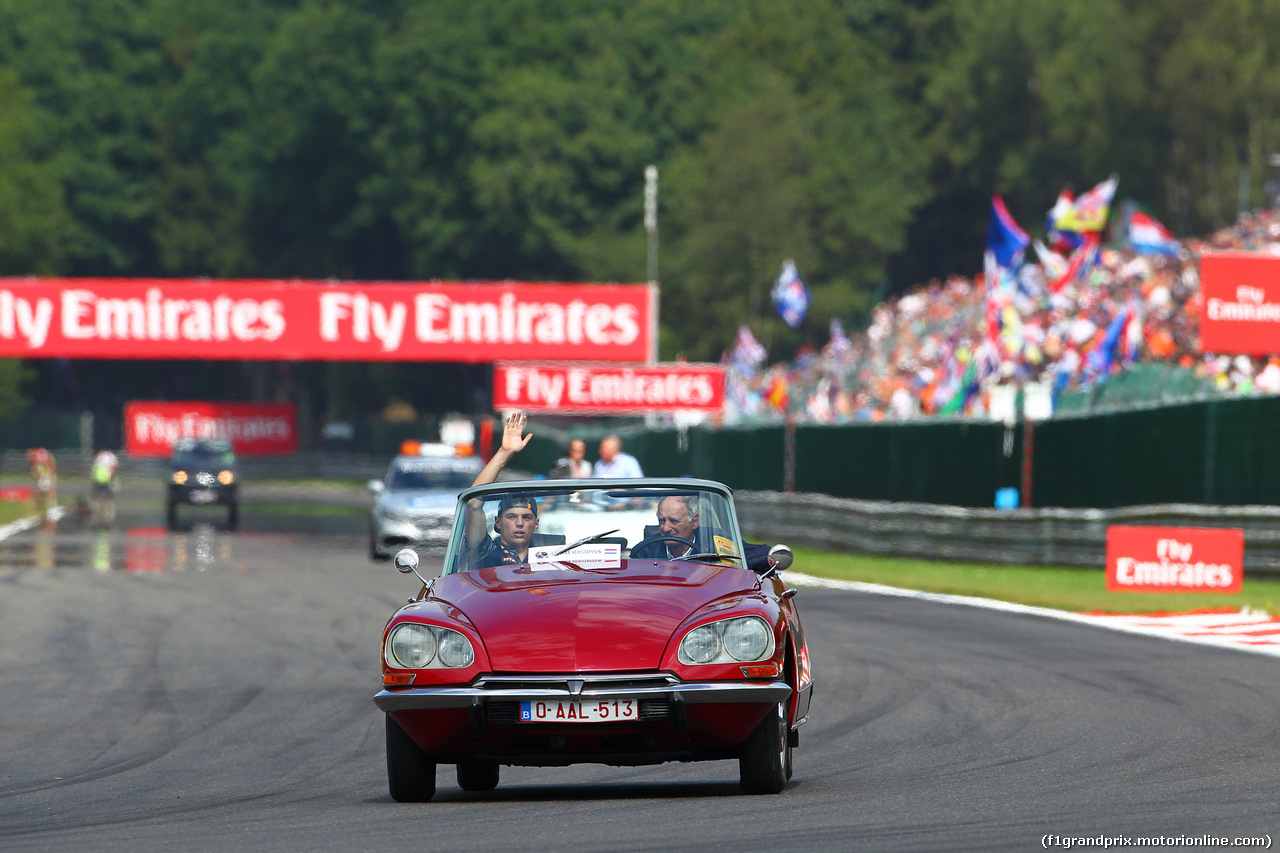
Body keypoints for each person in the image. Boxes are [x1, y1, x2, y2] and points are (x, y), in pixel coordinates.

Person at [464, 412, 539, 567]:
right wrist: (504, 453)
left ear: (536, 523)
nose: (520, 523)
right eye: (511, 517)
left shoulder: (550, 555)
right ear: (498, 522)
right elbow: (473, 504)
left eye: (526, 517)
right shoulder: (486, 550)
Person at [631, 493, 772, 572]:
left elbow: (761, 552)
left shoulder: (715, 541)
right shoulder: (645, 550)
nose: (666, 528)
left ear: (694, 521)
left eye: (674, 521)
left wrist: (729, 564)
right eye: (662, 521)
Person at [89, 448, 120, 526]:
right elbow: (116, 465)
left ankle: (98, 518)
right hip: (106, 479)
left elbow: (93, 470)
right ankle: (107, 518)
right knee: (107, 499)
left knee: (97, 499)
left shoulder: (99, 458)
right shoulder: (110, 456)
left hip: (100, 480)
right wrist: (112, 474)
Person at [26, 448, 57, 519]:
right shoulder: (39, 458)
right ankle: (38, 504)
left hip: (45, 475)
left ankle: (49, 507)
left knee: (46, 491)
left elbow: (47, 468)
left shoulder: (40, 461)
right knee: (43, 491)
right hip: (44, 474)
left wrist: (48, 476)